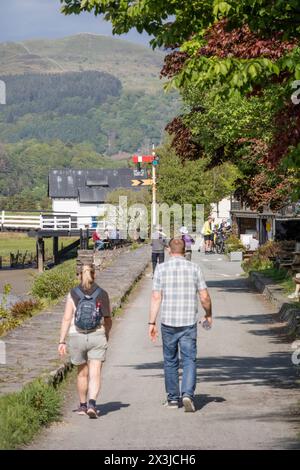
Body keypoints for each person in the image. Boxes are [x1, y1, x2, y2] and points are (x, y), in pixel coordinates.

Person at [148, 238, 212, 412]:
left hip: (168, 322)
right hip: (188, 322)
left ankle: (172, 399)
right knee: (189, 359)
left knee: (170, 361)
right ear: (185, 250)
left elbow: (156, 297)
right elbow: (204, 297)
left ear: (169, 250)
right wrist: (208, 314)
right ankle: (187, 395)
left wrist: (151, 322)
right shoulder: (194, 268)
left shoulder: (161, 269)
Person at [58, 265, 112, 419]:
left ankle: (82, 406)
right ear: (94, 275)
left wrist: (62, 341)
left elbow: (67, 318)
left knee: (82, 373)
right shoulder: (102, 293)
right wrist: (106, 335)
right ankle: (92, 404)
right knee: (95, 373)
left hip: (77, 335)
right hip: (97, 335)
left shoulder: (73, 293)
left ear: (79, 275)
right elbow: (108, 319)